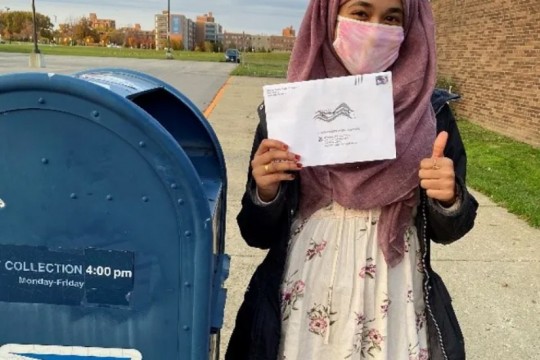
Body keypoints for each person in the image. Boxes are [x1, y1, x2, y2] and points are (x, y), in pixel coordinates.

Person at [225, 0, 478, 359]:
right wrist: (265, 193)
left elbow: (451, 229)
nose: (375, 29)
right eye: (361, 13)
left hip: (393, 297)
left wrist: (448, 201)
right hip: (305, 291)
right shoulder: (288, 113)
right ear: (328, 18)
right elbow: (256, 233)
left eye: (392, 18)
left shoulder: (431, 116)